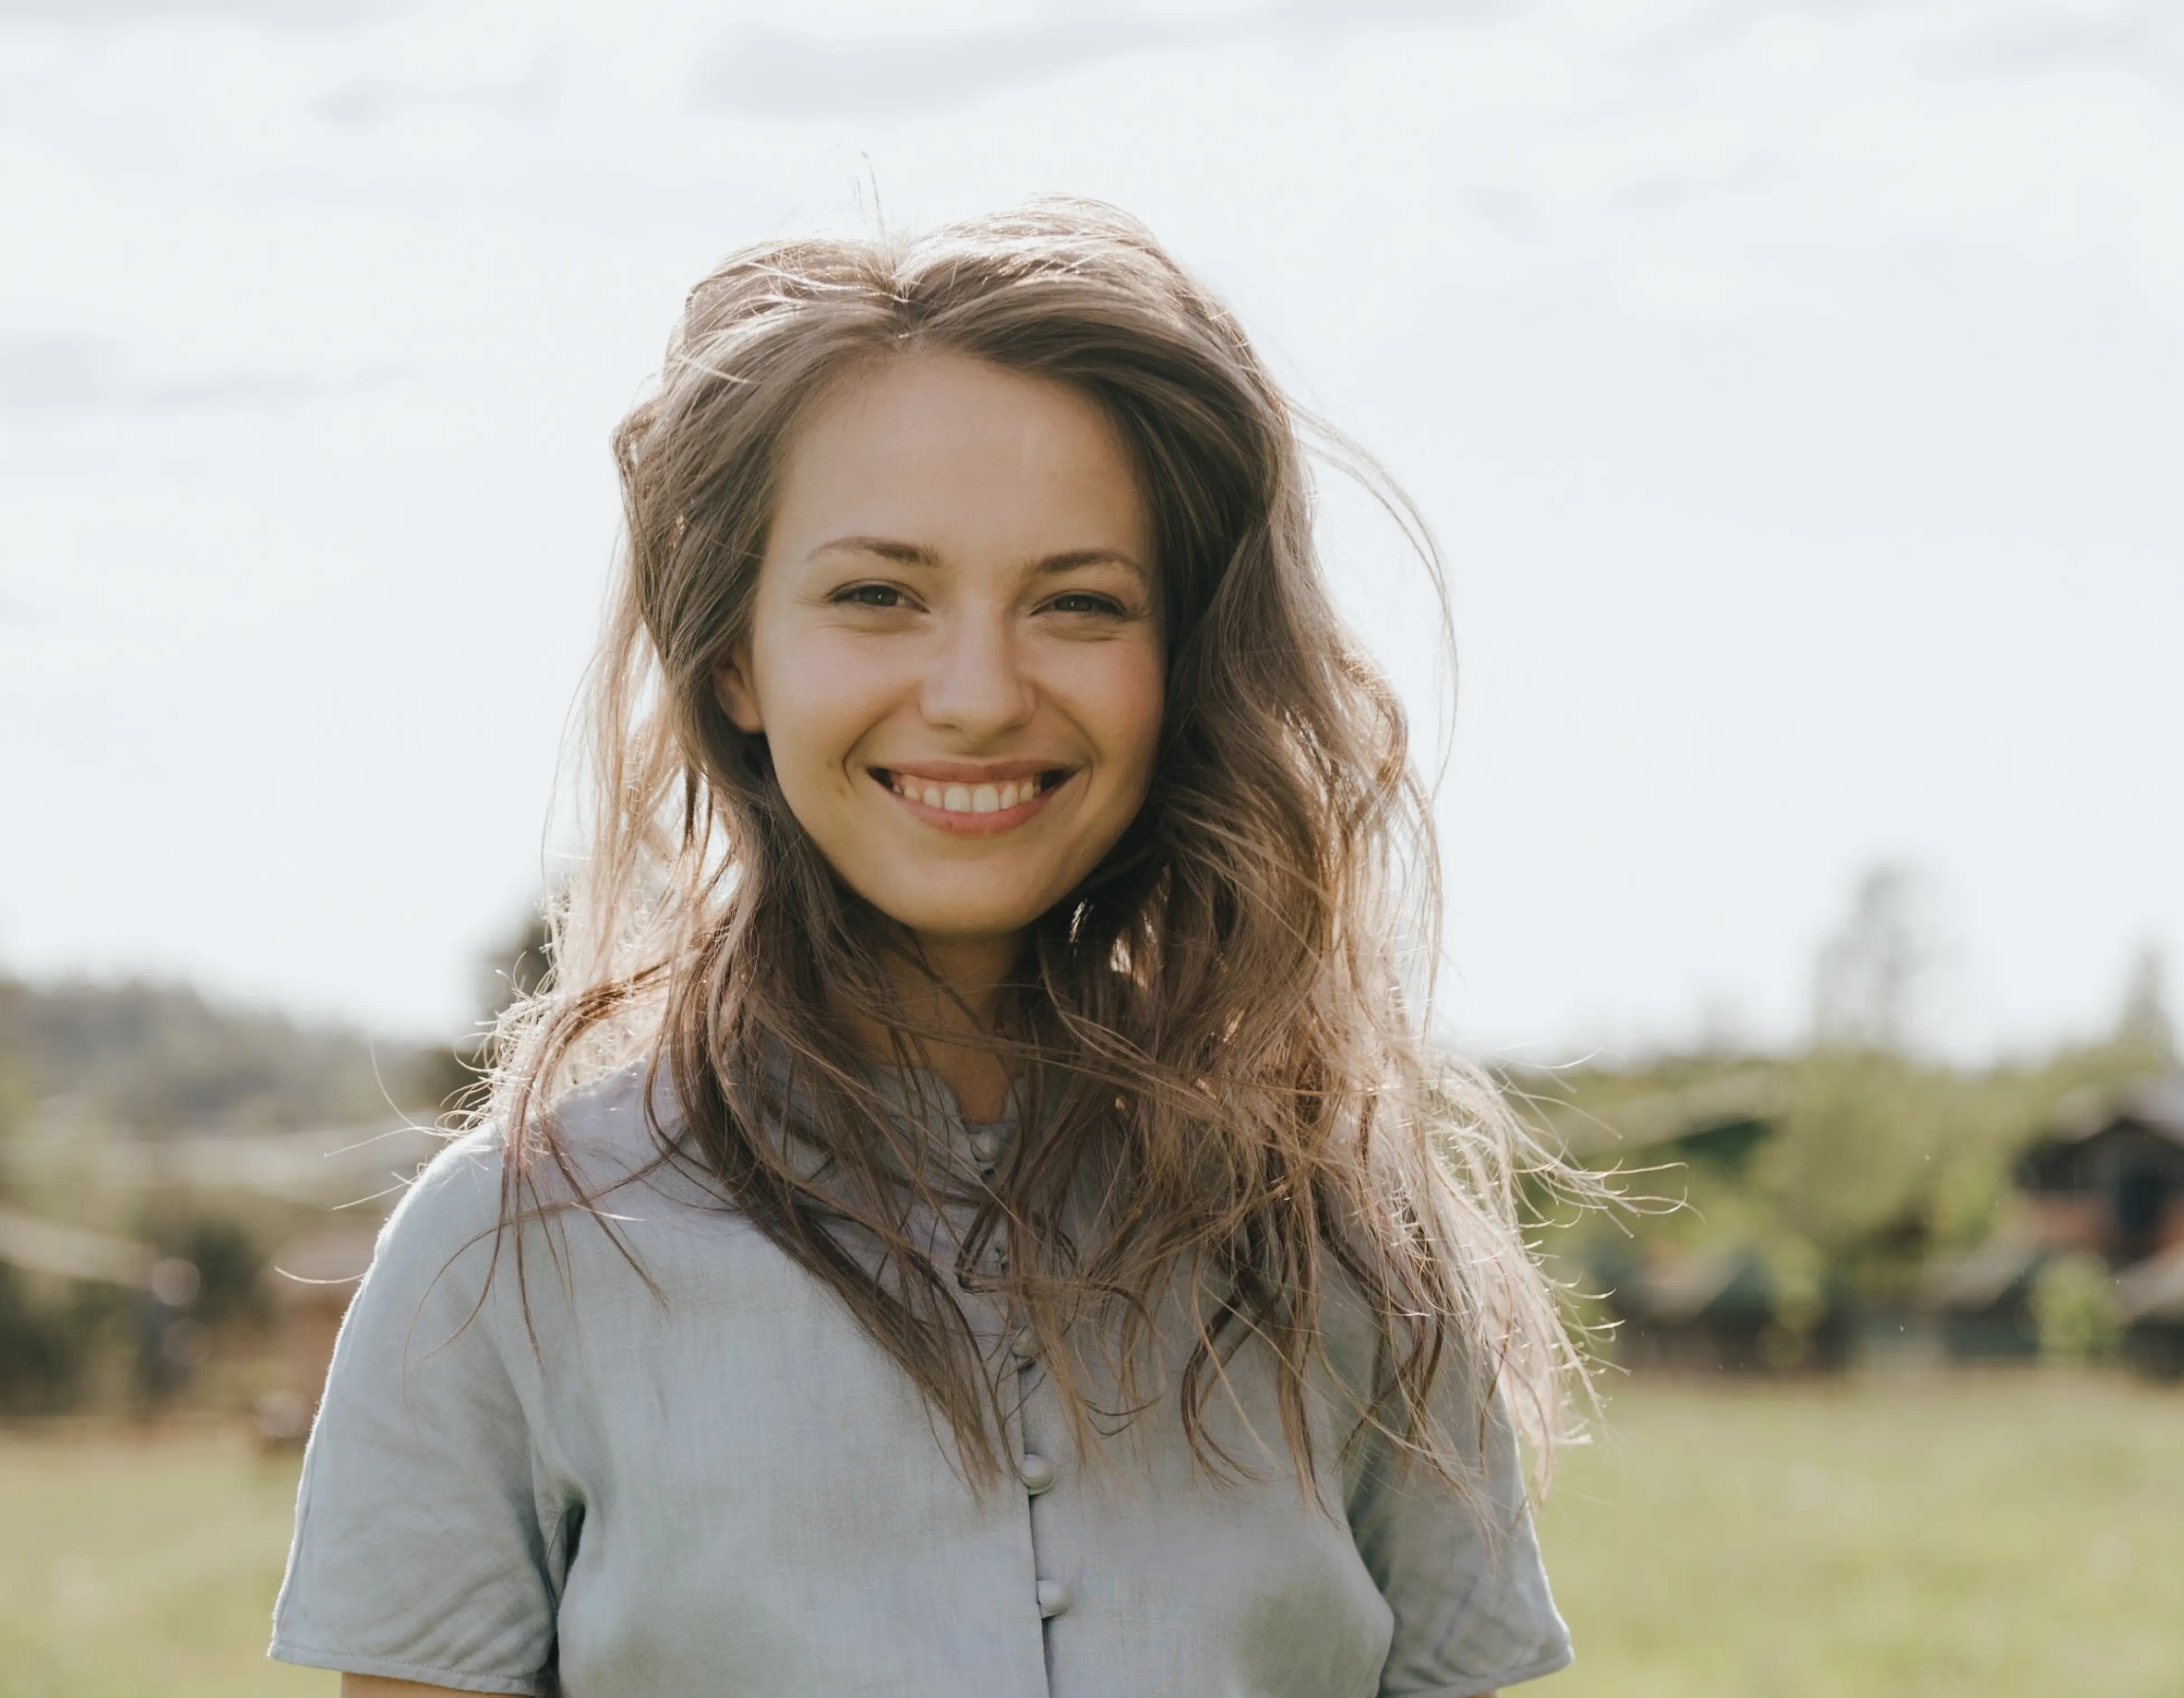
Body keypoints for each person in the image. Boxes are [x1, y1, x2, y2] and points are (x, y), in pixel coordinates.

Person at [270, 200, 1581, 1698]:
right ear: (734, 660)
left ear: (1184, 669)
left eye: (1080, 602)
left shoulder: (1341, 1241)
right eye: (877, 596)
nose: (973, 692)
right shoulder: (500, 1256)